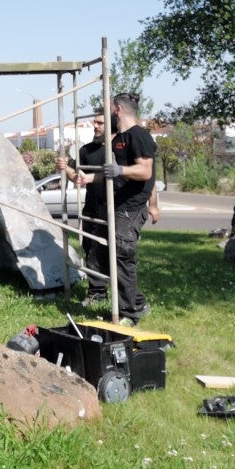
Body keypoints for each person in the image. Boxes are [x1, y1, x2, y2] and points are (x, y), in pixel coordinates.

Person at [79, 92, 157, 326]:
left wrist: (120, 171)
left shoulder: (139, 136)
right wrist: (89, 178)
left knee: (121, 258)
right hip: (115, 204)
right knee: (102, 255)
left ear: (118, 110)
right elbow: (111, 174)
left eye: (108, 109)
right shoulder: (117, 139)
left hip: (130, 208)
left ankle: (129, 314)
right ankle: (137, 302)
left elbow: (145, 171)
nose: (105, 114)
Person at [56, 112, 109, 306]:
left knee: (113, 251)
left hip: (114, 208)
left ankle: (124, 296)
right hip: (92, 208)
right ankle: (97, 292)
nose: (95, 126)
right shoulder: (86, 150)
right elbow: (79, 178)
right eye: (95, 122)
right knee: (90, 249)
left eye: (100, 123)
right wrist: (66, 168)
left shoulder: (117, 149)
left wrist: (153, 204)